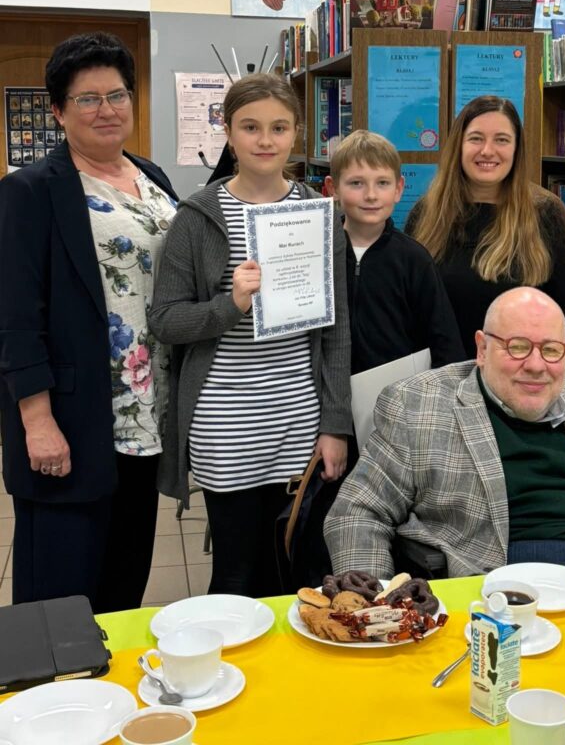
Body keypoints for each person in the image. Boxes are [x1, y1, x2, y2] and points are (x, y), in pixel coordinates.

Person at [150, 73, 351, 598]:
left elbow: (336, 331)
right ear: (229, 132)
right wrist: (230, 305)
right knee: (235, 573)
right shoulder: (197, 217)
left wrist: (335, 424)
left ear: (296, 133)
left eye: (279, 127)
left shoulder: (318, 213)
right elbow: (165, 320)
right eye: (250, 127)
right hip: (226, 422)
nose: (265, 140)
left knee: (293, 573)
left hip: (298, 418)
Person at [0, 32, 178, 609]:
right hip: (72, 420)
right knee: (60, 598)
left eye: (118, 94)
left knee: (124, 582)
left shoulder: (153, 178)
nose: (107, 109)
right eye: (88, 99)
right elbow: (14, 317)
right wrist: (37, 422)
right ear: (58, 110)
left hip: (146, 415)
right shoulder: (30, 191)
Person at [325, 288, 565, 577]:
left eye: (551, 350)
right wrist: (373, 605)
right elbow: (358, 511)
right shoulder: (418, 403)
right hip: (498, 579)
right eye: (518, 347)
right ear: (482, 348)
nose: (536, 366)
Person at [405, 95, 565, 367]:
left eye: (501, 140)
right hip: (438, 381)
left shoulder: (546, 214)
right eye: (476, 138)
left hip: (522, 379)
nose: (487, 151)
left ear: (516, 149)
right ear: (458, 146)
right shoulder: (426, 214)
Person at [324, 129, 464, 376]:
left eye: (383, 183)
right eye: (356, 183)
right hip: (330, 391)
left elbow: (445, 343)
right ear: (332, 187)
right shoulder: (320, 253)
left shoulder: (414, 260)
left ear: (399, 188)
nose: (371, 195)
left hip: (397, 392)